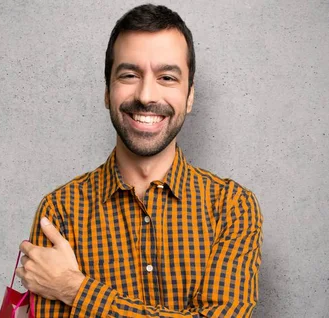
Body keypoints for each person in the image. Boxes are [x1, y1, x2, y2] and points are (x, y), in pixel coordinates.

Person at [15, 4, 263, 317]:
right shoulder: (60, 211)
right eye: (130, 75)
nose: (146, 95)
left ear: (189, 97)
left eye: (167, 77)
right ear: (107, 92)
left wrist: (74, 289)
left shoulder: (232, 207)